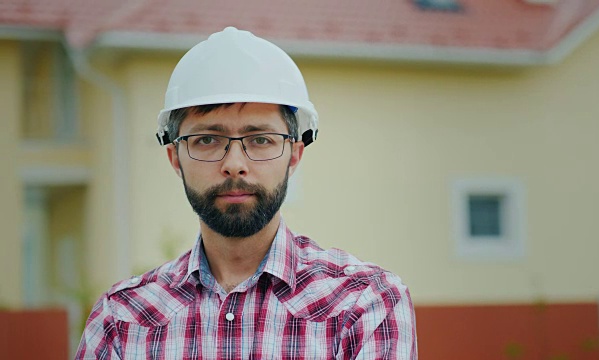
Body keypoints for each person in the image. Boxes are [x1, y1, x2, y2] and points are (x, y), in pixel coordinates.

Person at [76, 27, 417, 359]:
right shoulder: (121, 319)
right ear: (174, 157)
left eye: (260, 139)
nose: (234, 164)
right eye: (207, 140)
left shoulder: (365, 303)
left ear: (294, 154)